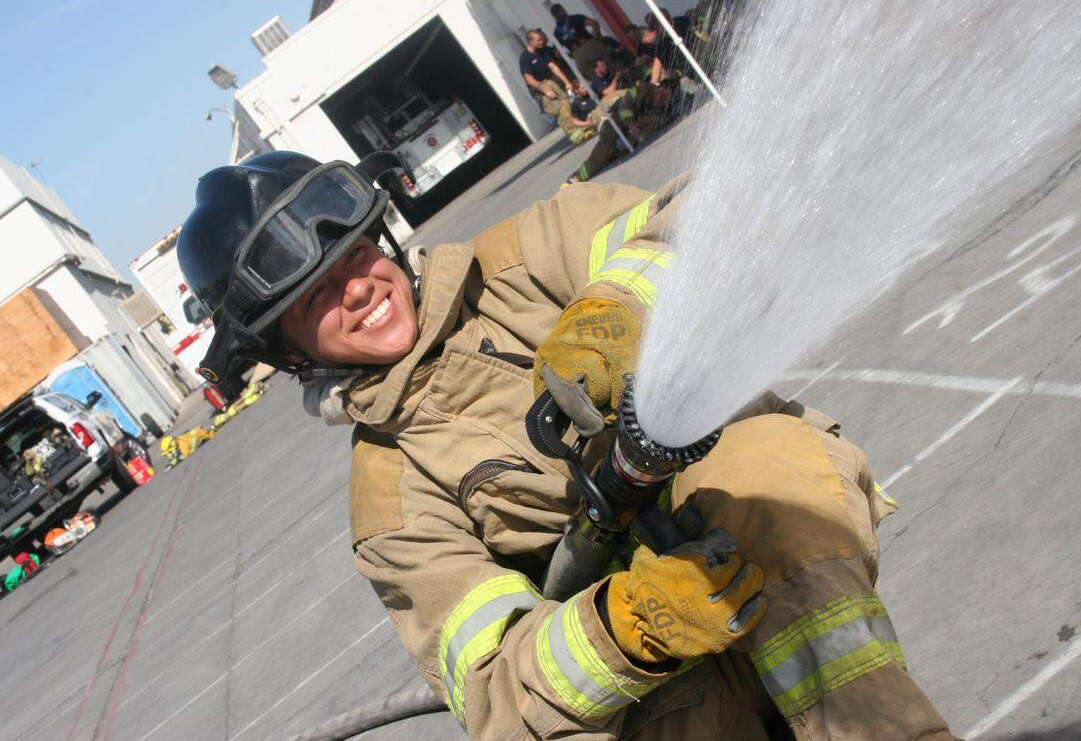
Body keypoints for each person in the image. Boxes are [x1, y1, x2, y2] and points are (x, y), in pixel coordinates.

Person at [177, 151, 956, 739]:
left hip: (775, 553)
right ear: (283, 350)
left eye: (354, 254)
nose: (355, 288)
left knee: (763, 473)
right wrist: (625, 629)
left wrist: (618, 304)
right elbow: (494, 692)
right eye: (313, 297)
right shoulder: (391, 500)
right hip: (667, 704)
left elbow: (714, 212)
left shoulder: (525, 254)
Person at [518, 29, 574, 134]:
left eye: (541, 40)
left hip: (550, 83)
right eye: (538, 40)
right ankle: (575, 134)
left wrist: (567, 82)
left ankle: (579, 127)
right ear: (530, 42)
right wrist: (545, 91)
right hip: (539, 90)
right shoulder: (525, 58)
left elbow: (553, 67)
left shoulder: (542, 51)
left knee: (566, 103)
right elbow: (529, 79)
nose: (541, 42)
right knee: (559, 110)